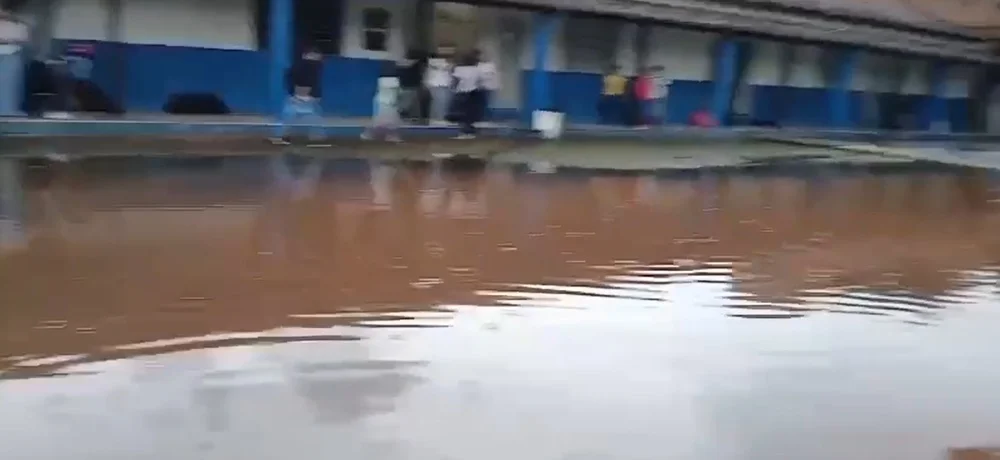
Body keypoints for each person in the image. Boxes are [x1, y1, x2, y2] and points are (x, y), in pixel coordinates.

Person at [271, 46, 328, 146]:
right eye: (311, 58)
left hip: (308, 98)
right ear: (304, 56)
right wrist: (293, 94)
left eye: (316, 59)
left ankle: (316, 138)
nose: (313, 62)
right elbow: (290, 79)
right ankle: (283, 136)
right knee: (288, 116)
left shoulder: (315, 68)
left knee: (315, 118)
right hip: (297, 97)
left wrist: (316, 95)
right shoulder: (298, 67)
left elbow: (315, 83)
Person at [362, 61, 402, 142]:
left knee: (385, 121)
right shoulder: (392, 81)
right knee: (385, 121)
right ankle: (371, 134)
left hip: (383, 102)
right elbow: (396, 92)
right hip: (385, 103)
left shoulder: (382, 80)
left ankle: (388, 136)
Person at [451, 51, 481, 139]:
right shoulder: (476, 69)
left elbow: (455, 81)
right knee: (470, 113)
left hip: (462, 92)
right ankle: (471, 132)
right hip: (473, 93)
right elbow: (479, 81)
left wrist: (453, 89)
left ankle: (464, 132)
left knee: (461, 113)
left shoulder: (459, 69)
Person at [425, 49, 452, 125]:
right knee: (440, 103)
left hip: (440, 85)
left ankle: (435, 119)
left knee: (439, 103)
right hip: (438, 85)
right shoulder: (434, 62)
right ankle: (438, 119)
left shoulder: (438, 64)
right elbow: (448, 67)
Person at [397, 49, 425, 122]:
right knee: (414, 114)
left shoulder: (399, 64)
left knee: (403, 112)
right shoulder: (417, 64)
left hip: (402, 88)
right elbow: (420, 76)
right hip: (413, 89)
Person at [476, 50, 499, 122]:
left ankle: (488, 117)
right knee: (481, 104)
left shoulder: (491, 65)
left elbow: (492, 75)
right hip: (481, 87)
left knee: (488, 103)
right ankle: (482, 117)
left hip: (489, 87)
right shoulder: (478, 65)